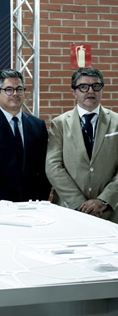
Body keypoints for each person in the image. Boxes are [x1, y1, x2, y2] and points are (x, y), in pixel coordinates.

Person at [46, 67, 118, 222]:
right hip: (70, 210)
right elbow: (53, 167)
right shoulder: (59, 124)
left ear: (102, 89)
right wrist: (79, 203)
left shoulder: (116, 122)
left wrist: (104, 200)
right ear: (74, 92)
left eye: (96, 86)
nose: (90, 91)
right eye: (83, 86)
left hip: (109, 211)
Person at [0, 69, 51, 202]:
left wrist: (39, 199)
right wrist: (8, 203)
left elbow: (44, 168)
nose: (15, 94)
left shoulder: (38, 125)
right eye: (9, 90)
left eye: (19, 89)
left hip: (32, 204)